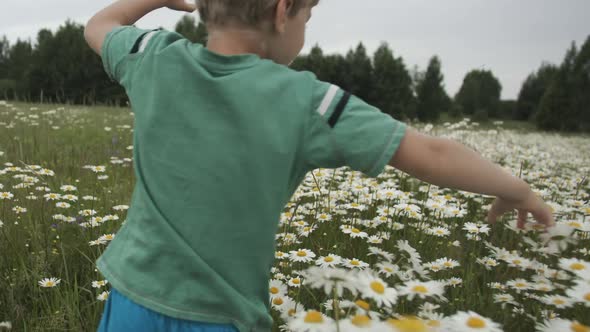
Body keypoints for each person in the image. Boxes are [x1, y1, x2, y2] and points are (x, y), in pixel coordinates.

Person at [84, 0, 556, 331]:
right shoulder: (308, 101)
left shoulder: (153, 59)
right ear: (283, 9)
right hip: (217, 315)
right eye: (309, 15)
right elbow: (432, 153)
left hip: (130, 301)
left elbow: (98, 24)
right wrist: (519, 189)